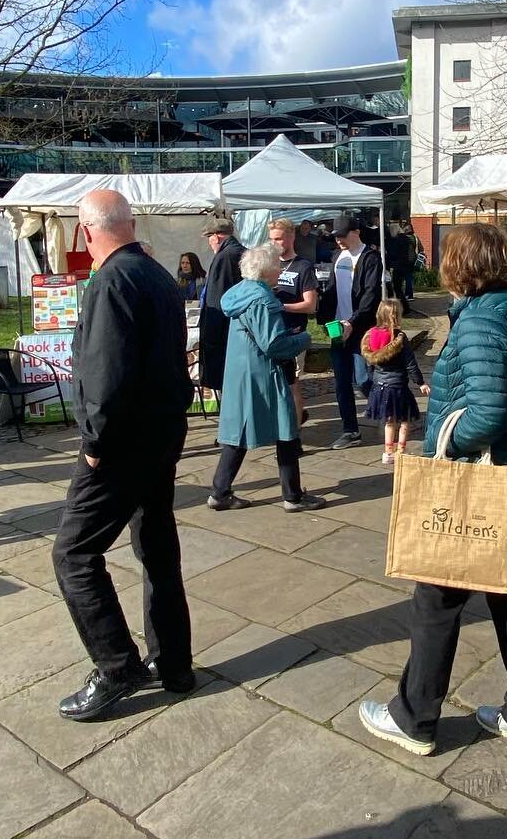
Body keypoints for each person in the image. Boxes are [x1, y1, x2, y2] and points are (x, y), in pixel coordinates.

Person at [359, 223, 507, 757]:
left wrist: (449, 444)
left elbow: (491, 411)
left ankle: (414, 716)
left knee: (437, 593)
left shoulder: (479, 320)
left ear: (457, 266)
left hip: (490, 476)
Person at [52, 189, 194, 722]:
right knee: (157, 546)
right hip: (160, 433)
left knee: (73, 555)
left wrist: (94, 444)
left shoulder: (112, 279)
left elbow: (106, 375)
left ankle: (117, 667)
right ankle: (174, 664)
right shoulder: (155, 273)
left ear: (87, 231)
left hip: (125, 441)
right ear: (128, 224)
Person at [208, 243, 323, 514]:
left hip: (240, 372)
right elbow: (273, 344)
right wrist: (303, 338)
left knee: (239, 434)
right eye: (277, 266)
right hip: (264, 373)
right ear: (268, 270)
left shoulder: (239, 293)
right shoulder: (262, 299)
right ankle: (292, 496)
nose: (280, 270)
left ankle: (219, 492)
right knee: (287, 431)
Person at [317, 214, 382, 450]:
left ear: (356, 232)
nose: (339, 241)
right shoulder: (337, 256)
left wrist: (353, 322)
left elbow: (370, 295)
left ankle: (389, 409)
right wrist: (325, 319)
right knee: (341, 382)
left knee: (363, 377)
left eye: (343, 236)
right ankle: (351, 430)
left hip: (360, 327)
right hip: (337, 327)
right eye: (336, 237)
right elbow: (332, 290)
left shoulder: (370, 258)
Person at [361, 297, 428, 463]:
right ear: (397, 316)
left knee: (389, 421)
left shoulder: (371, 334)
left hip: (379, 385)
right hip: (397, 386)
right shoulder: (399, 338)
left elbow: (369, 363)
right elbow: (410, 364)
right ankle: (401, 451)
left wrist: (373, 380)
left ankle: (387, 453)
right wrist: (420, 382)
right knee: (405, 419)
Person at [267, 218, 318, 427]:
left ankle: (295, 431)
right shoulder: (269, 264)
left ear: (291, 237)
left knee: (292, 383)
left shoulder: (303, 266)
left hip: (293, 333)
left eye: (278, 239)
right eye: (271, 239)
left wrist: (283, 307)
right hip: (270, 333)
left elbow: (310, 305)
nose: (274, 243)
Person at [197, 214, 245, 397]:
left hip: (224, 330)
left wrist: (210, 333)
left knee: (228, 382)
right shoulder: (240, 251)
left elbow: (218, 298)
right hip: (237, 328)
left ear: (216, 236)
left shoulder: (225, 257)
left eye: (210, 239)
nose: (210, 243)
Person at [386, 220, 417, 310]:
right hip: (403, 265)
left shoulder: (397, 240)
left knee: (396, 288)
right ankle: (404, 306)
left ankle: (404, 307)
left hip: (398, 266)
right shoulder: (405, 239)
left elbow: (393, 252)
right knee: (398, 287)